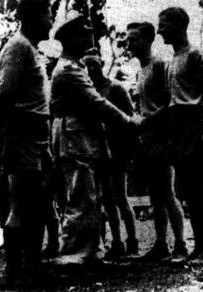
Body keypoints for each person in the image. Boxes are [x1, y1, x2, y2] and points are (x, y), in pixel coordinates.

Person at [50, 13, 143, 267]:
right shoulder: (69, 70)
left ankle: (88, 252)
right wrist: (129, 121)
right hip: (76, 140)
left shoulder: (75, 66)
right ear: (70, 39)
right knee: (81, 199)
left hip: (82, 140)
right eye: (83, 34)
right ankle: (74, 255)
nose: (88, 38)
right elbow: (97, 103)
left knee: (90, 198)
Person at [157, 7, 203, 265]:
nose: (160, 30)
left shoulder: (196, 55)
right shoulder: (172, 60)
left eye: (164, 25)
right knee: (188, 192)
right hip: (177, 126)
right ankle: (199, 248)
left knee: (200, 190)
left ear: (179, 25)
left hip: (194, 124)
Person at [0, 0, 53, 282]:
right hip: (21, 136)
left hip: (34, 137)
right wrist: (23, 127)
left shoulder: (29, 49)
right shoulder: (17, 47)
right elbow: (4, 95)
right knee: (21, 205)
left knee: (36, 205)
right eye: (48, 13)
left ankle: (32, 266)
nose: (51, 19)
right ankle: (14, 270)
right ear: (33, 16)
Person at [126, 21, 187, 263]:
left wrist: (149, 121)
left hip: (162, 137)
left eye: (134, 39)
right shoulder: (142, 69)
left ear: (148, 40)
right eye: (128, 39)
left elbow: (171, 101)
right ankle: (161, 244)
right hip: (147, 139)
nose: (129, 44)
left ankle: (180, 245)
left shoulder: (161, 64)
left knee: (167, 192)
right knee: (154, 195)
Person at [83, 51, 139, 260]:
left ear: (102, 64)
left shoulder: (115, 88)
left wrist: (127, 149)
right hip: (99, 151)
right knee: (106, 199)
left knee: (119, 197)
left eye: (94, 65)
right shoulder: (89, 90)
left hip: (117, 150)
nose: (91, 69)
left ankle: (132, 241)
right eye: (87, 66)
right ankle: (116, 243)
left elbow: (131, 119)